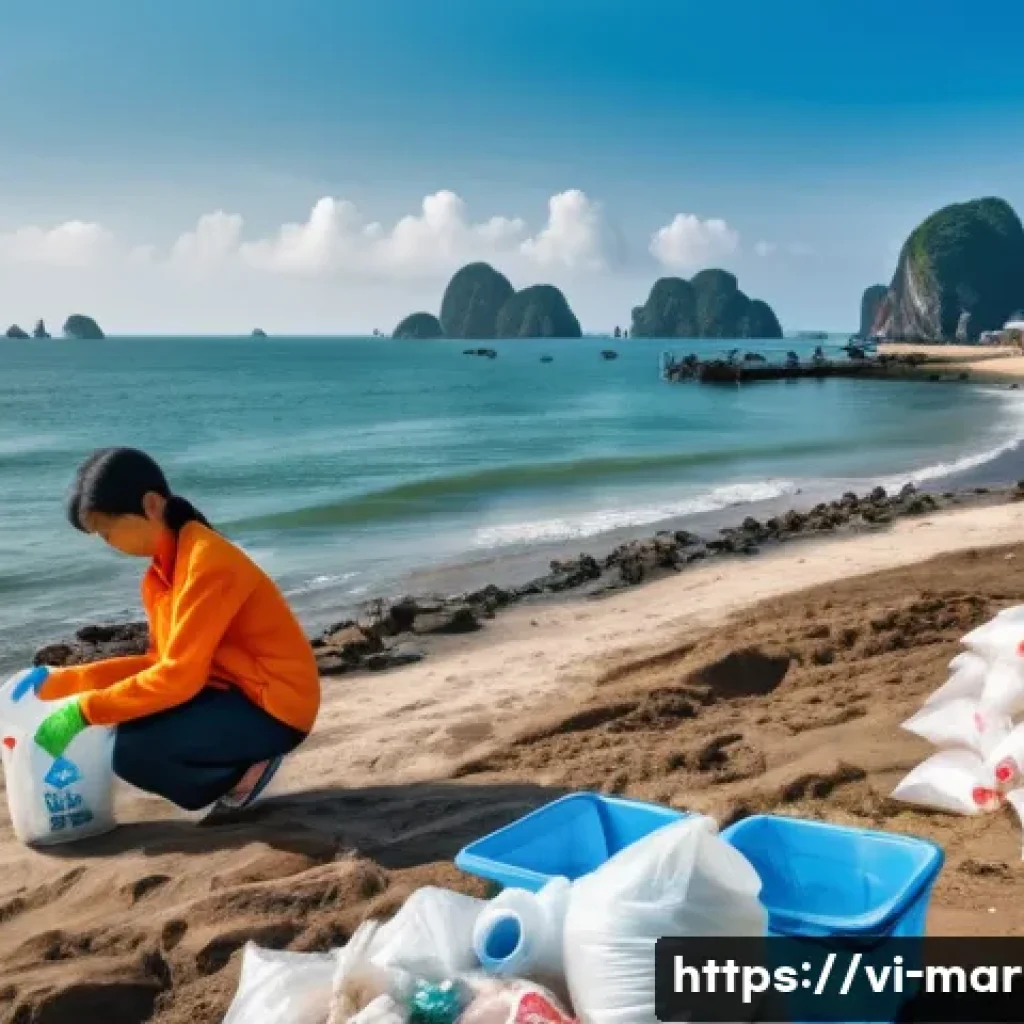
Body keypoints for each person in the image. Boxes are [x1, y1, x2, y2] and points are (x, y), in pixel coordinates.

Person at [16, 447, 321, 814]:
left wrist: (83, 711)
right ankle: (233, 764)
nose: (107, 542)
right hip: (231, 690)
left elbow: (179, 677)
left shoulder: (207, 562)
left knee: (134, 754)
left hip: (276, 707)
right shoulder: (160, 576)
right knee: (130, 728)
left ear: (151, 505)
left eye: (107, 529)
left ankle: (245, 774)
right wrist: (63, 682)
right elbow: (159, 662)